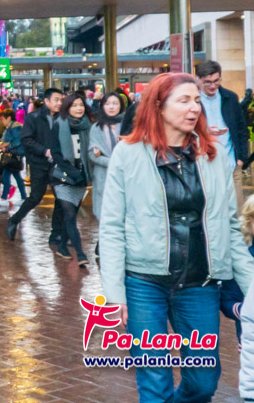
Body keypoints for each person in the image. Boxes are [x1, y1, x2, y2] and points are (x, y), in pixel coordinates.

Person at [99, 72, 254, 403]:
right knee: (154, 382)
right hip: (144, 283)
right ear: (159, 107)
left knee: (203, 381)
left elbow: (230, 226)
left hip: (199, 284)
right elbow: (111, 227)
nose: (194, 108)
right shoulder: (127, 155)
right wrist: (115, 295)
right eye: (184, 100)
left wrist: (252, 286)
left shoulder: (212, 156)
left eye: (197, 101)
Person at [6, 88, 64, 243]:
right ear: (46, 101)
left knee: (60, 198)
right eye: (56, 100)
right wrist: (44, 151)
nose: (59, 103)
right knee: (36, 197)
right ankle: (15, 220)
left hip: (58, 165)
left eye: (61, 100)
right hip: (39, 163)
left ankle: (56, 233)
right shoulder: (34, 117)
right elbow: (26, 139)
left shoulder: (63, 118)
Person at [196, 60, 250, 211]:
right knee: (210, 209)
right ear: (198, 79)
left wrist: (241, 160)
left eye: (216, 81)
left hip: (231, 164)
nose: (213, 86)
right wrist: (205, 131)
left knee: (237, 210)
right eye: (207, 82)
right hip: (204, 163)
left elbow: (241, 129)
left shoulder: (230, 98)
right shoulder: (193, 99)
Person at [52, 93, 93, 267]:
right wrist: (71, 172)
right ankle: (81, 253)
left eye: (81, 105)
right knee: (69, 214)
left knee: (72, 214)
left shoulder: (89, 126)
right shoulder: (59, 125)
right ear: (67, 108)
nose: (78, 108)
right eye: (74, 105)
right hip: (62, 176)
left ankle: (61, 245)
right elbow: (56, 154)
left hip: (82, 177)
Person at [89, 91, 125, 221]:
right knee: (104, 213)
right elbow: (92, 154)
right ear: (102, 106)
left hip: (125, 174)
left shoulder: (128, 125)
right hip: (103, 175)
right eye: (108, 103)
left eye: (115, 103)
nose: (111, 107)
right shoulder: (96, 127)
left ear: (120, 106)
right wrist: (112, 162)